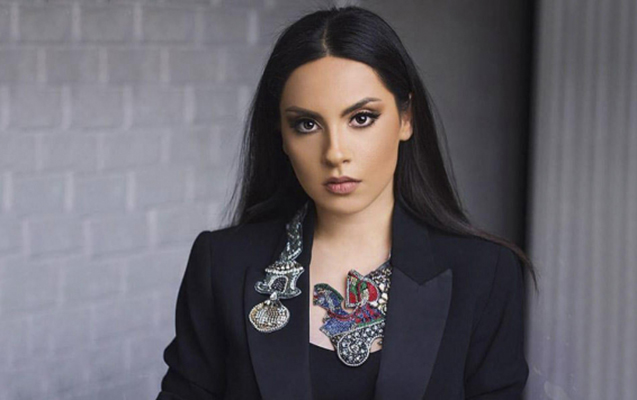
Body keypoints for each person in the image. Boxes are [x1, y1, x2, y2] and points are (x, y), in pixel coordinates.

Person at [156, 5, 538, 400]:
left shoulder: (484, 274)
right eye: (307, 124)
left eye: (361, 118)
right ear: (282, 135)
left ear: (406, 118)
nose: (335, 153)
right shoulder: (222, 266)